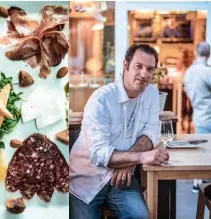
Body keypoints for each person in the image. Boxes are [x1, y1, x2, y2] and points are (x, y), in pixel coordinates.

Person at [70, 43, 169, 219]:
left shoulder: (152, 93)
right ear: (125, 65)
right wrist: (140, 157)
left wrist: (128, 163)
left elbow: (151, 132)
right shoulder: (101, 99)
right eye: (138, 66)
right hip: (86, 179)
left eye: (150, 69)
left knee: (139, 217)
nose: (144, 74)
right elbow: (98, 154)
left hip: (123, 178)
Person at [183, 42, 211, 193]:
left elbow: (187, 94)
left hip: (198, 114)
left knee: (201, 149)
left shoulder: (189, 72)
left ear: (195, 52)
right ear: (209, 53)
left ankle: (197, 182)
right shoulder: (208, 72)